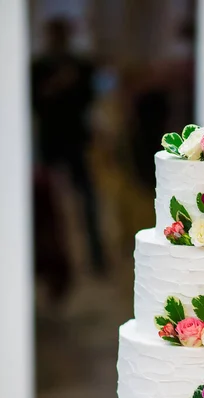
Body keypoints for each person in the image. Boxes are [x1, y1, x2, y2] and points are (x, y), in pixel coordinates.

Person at [32, 17, 105, 274]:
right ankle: (49, 263)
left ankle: (97, 258)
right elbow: (33, 103)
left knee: (87, 200)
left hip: (75, 140)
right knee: (46, 204)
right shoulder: (37, 67)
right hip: (50, 141)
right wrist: (55, 87)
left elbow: (89, 100)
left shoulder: (81, 67)